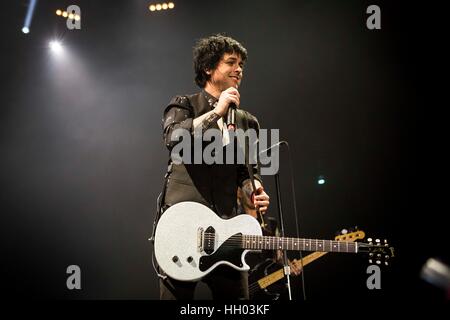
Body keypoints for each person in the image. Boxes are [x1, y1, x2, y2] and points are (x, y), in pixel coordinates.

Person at [158, 34, 270, 300]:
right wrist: (217, 112)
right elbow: (175, 141)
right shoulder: (184, 104)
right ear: (208, 68)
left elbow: (247, 171)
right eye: (231, 62)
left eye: (241, 64)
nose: (239, 69)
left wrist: (253, 188)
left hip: (227, 231)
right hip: (182, 229)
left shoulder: (247, 122)